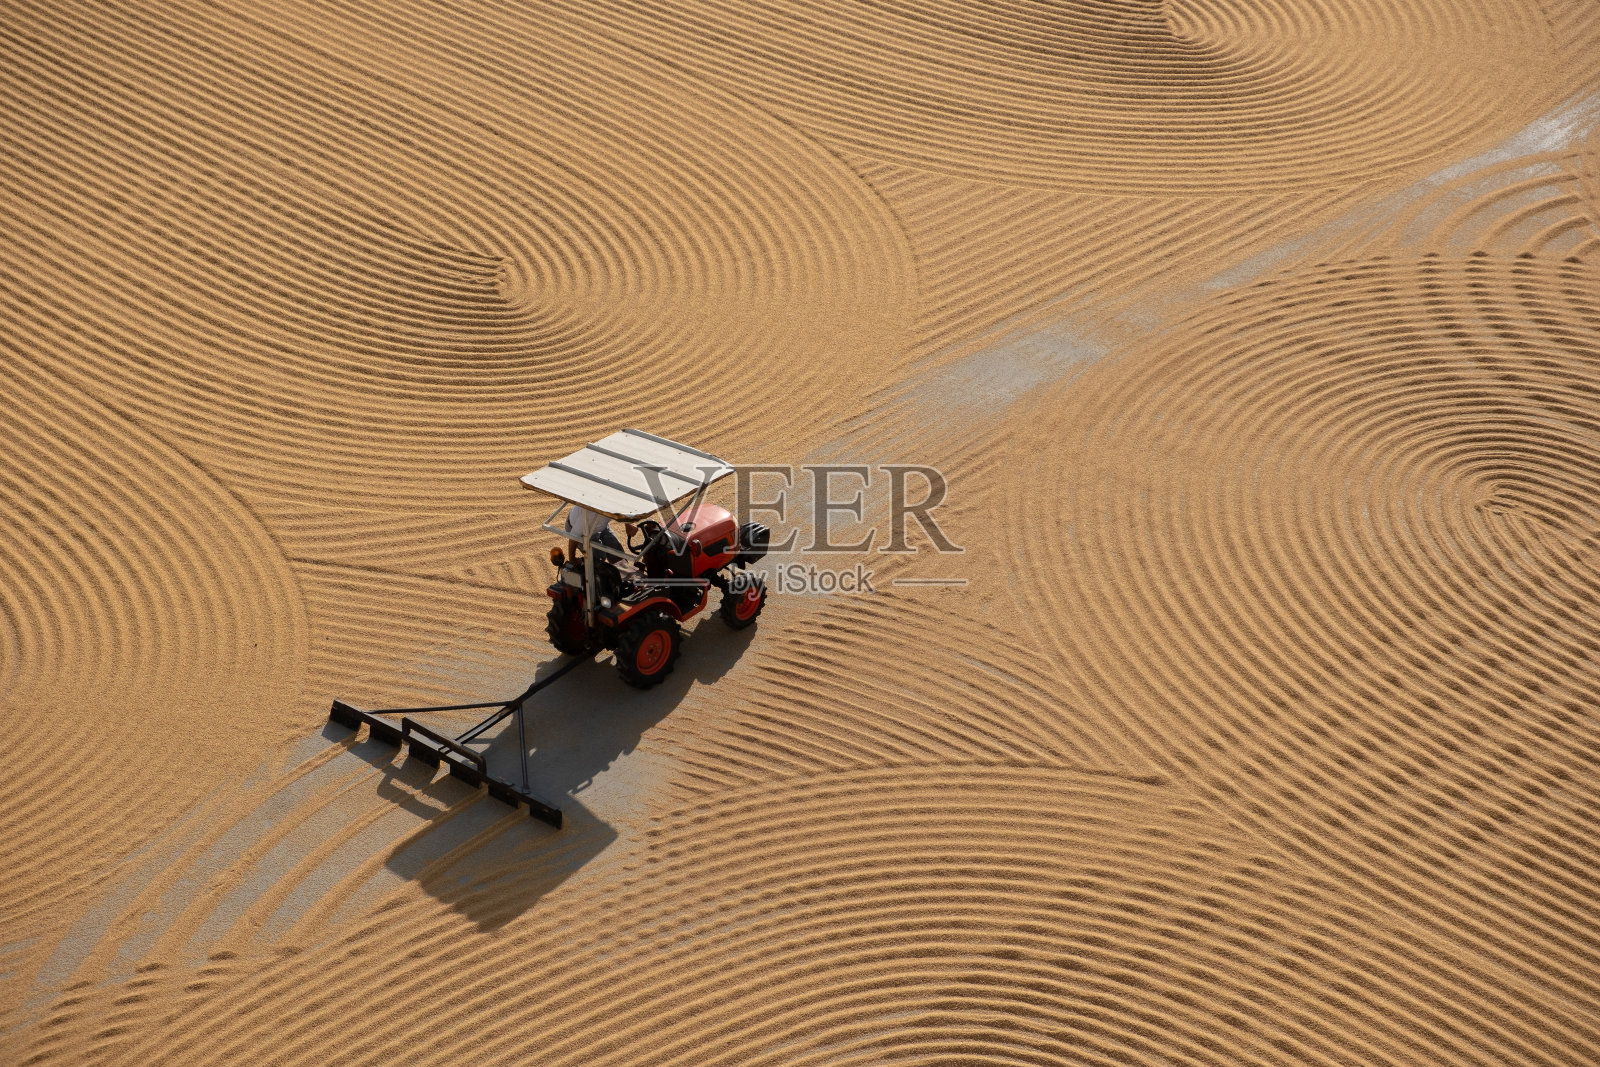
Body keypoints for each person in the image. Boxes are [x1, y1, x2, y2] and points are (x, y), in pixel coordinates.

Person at [564, 504, 634, 561]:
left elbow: (622, 507)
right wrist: (572, 559)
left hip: (600, 525)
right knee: (598, 557)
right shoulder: (588, 516)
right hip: (583, 530)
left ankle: (622, 575)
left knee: (617, 552)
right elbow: (574, 537)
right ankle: (590, 576)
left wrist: (628, 524)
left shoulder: (612, 505)